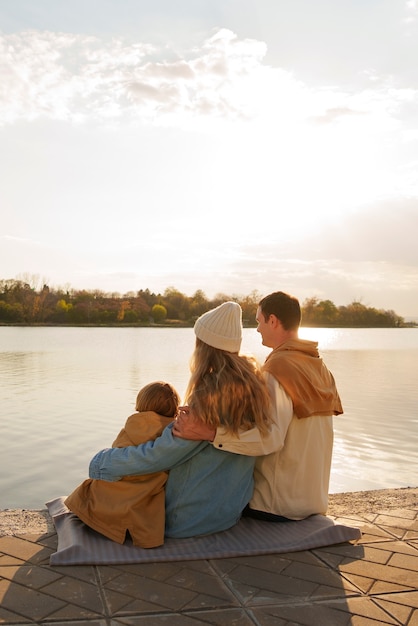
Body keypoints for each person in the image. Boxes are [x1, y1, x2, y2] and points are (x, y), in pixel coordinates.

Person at [88, 301, 273, 539]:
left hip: (187, 518)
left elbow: (159, 456)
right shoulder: (254, 386)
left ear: (203, 346)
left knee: (102, 487)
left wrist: (103, 461)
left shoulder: (208, 396)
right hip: (228, 514)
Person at [174, 291, 343, 521]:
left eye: (259, 321)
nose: (257, 329)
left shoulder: (279, 369)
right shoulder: (321, 369)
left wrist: (211, 433)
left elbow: (271, 438)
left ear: (272, 321)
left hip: (276, 505)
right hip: (314, 501)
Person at [65, 381, 180, 547]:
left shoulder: (132, 426)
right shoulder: (172, 433)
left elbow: (117, 454)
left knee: (92, 489)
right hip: (144, 493)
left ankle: (96, 518)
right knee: (146, 501)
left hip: (113, 490)